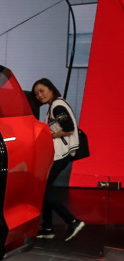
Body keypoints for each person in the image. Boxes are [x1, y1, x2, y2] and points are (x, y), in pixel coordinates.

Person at [33, 78, 85, 241]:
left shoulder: (57, 106)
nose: (39, 95)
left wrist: (50, 135)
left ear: (51, 89)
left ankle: (72, 221)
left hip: (61, 155)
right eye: (36, 94)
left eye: (42, 91)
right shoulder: (55, 105)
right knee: (44, 190)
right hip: (60, 154)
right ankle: (48, 228)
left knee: (42, 190)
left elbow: (68, 129)